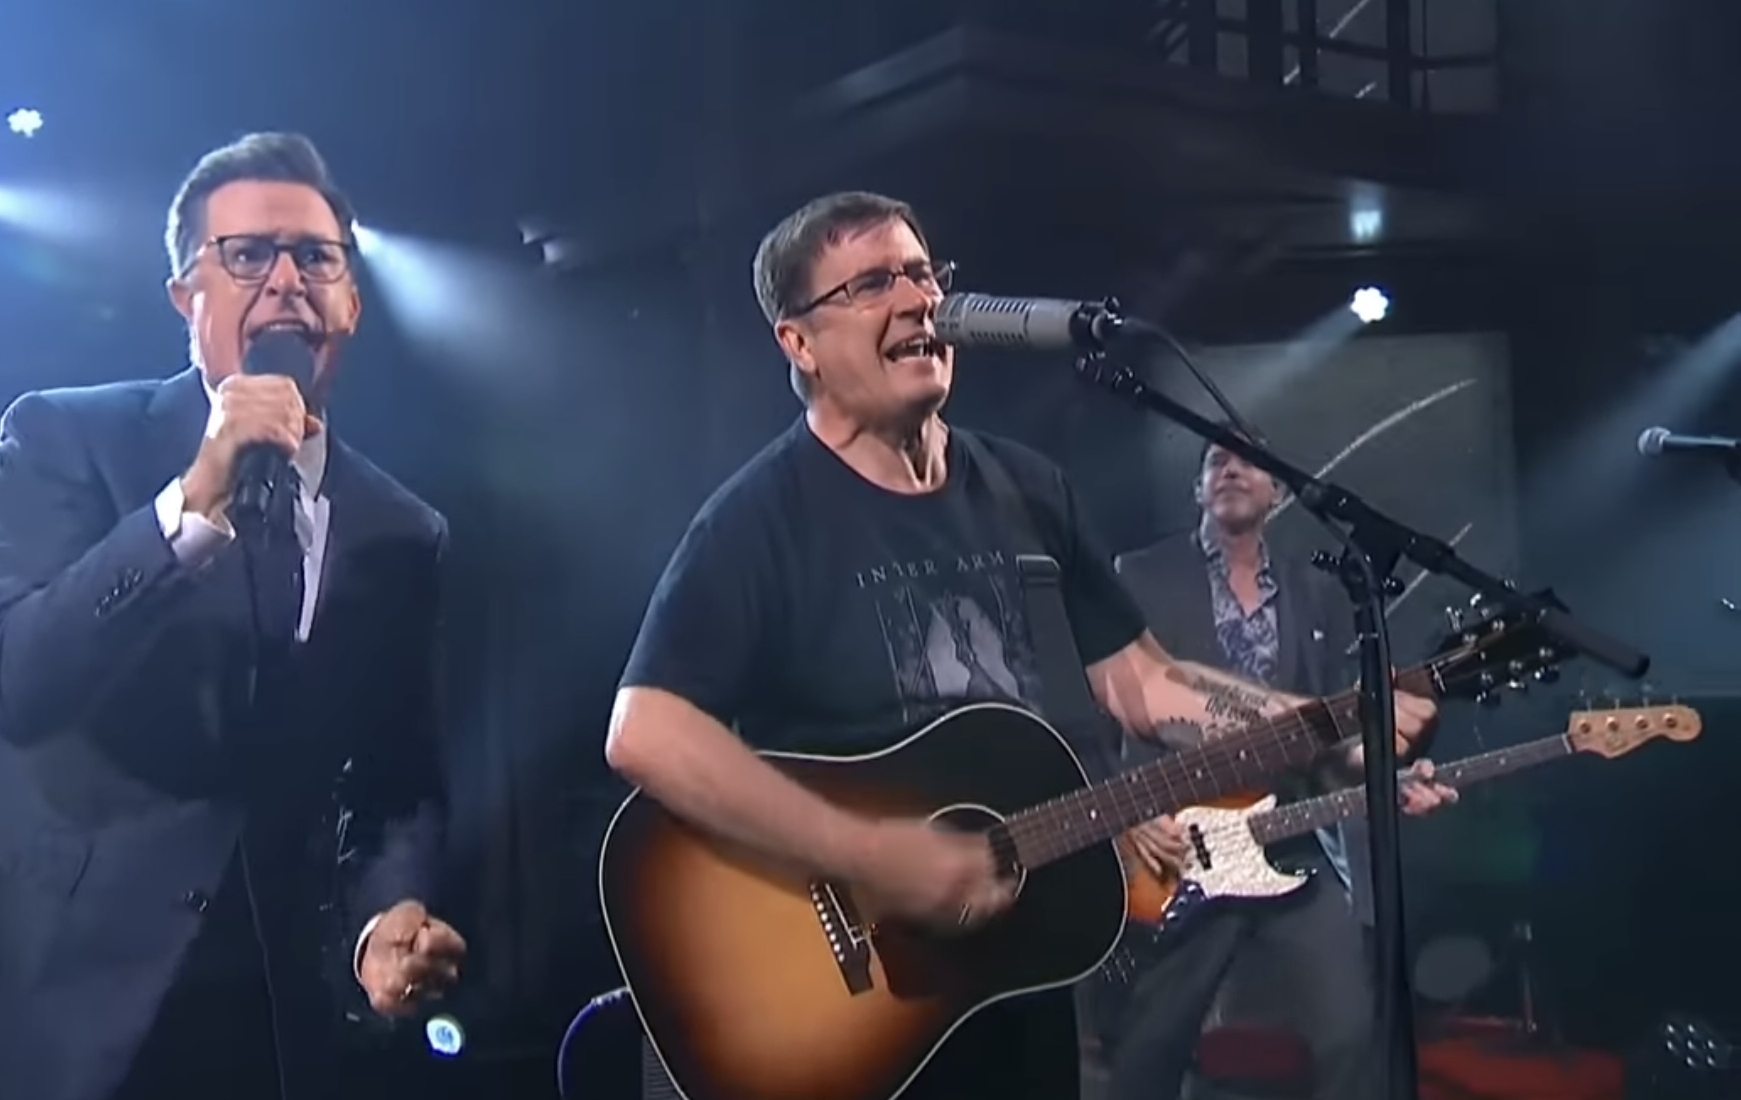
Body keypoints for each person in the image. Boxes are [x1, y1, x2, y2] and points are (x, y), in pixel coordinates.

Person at [601, 190, 1438, 1099]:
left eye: (923, 273)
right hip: (851, 993)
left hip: (1011, 973)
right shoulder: (760, 521)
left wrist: (1328, 728)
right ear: (797, 342)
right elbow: (645, 732)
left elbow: (1146, 683)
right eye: (872, 284)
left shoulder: (1025, 490)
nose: (918, 300)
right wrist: (868, 853)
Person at [0, 132, 465, 1100]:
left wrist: (387, 911)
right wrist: (191, 501)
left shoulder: (401, 528)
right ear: (185, 295)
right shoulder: (66, 435)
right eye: (247, 254)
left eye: (315, 257)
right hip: (24, 982)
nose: (285, 280)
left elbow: (399, 776)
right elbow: (7, 678)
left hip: (249, 1000)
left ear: (351, 302)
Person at [1098, 441, 1456, 1100]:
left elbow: (1329, 744)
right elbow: (1111, 705)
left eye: (1249, 462)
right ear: (1198, 487)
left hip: (1288, 842)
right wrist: (1125, 814)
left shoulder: (1317, 590)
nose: (1231, 470)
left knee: (1353, 1030)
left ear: (1280, 493)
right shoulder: (1140, 573)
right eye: (1215, 461)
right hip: (1176, 848)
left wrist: (1385, 773)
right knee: (1148, 1049)